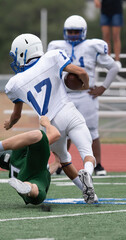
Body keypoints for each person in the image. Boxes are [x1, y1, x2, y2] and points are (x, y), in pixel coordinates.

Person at [2, 33, 98, 204]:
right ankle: (88, 173)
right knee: (87, 152)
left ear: (23, 53)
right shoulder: (53, 56)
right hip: (68, 111)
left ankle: (87, 193)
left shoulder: (15, 82)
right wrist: (85, 85)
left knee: (64, 159)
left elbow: (16, 115)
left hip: (50, 124)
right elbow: (81, 72)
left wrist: (9, 124)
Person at [47, 15, 119, 176]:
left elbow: (113, 67)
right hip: (64, 95)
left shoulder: (92, 47)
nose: (72, 34)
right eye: (70, 31)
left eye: (76, 31)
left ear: (83, 32)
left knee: (92, 131)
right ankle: (61, 163)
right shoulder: (57, 47)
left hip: (87, 95)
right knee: (62, 131)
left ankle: (98, 164)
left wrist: (103, 87)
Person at [0, 116, 61, 205]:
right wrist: (47, 124)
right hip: (34, 173)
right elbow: (55, 134)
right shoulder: (17, 153)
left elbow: (48, 169)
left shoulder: (14, 166)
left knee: (36, 191)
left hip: (30, 177)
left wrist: (57, 161)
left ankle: (28, 187)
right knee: (37, 135)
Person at [94, 0, 123, 68]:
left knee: (116, 36)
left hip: (117, 9)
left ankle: (117, 60)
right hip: (105, 9)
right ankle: (107, 58)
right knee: (106, 36)